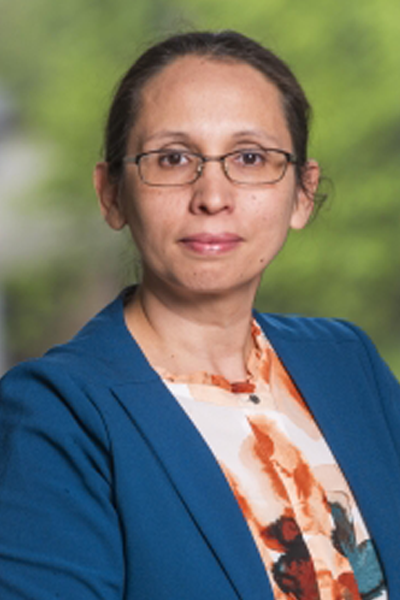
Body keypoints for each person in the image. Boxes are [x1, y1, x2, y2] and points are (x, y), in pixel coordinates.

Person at [0, 30, 399, 600]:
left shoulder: (348, 363)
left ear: (303, 193)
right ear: (112, 193)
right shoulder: (57, 413)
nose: (213, 195)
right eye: (173, 158)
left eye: (250, 157)